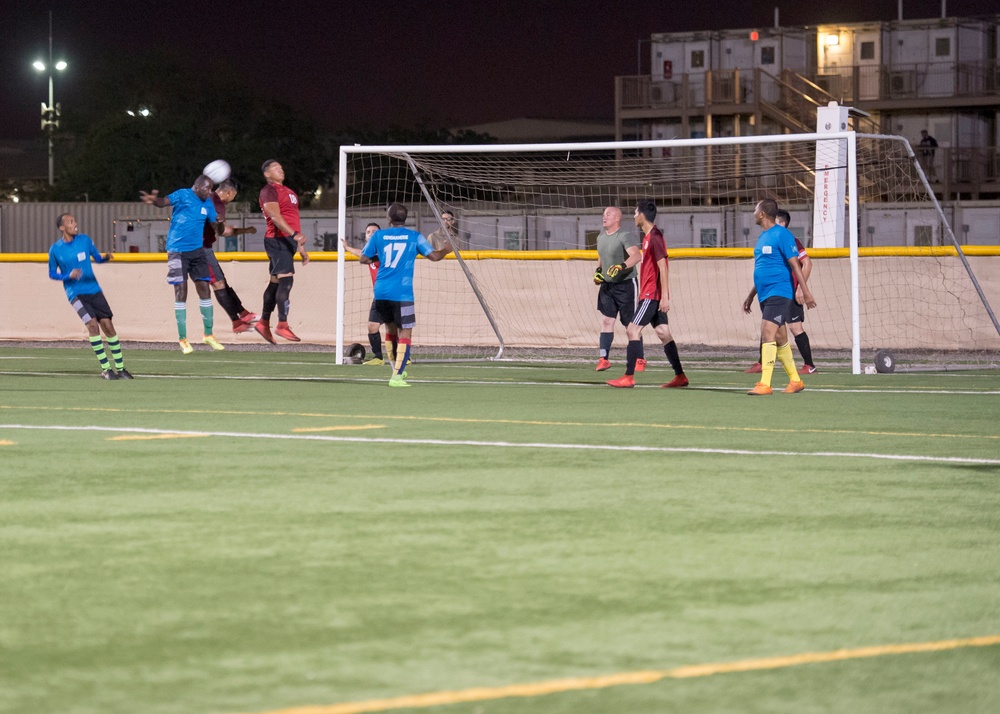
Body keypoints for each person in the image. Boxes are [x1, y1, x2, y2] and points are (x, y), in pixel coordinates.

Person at [357, 202, 453, 387]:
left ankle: (395, 368)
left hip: (381, 290)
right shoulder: (414, 237)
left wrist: (381, 256)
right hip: (402, 292)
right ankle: (397, 376)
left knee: (390, 330)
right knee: (405, 333)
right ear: (405, 218)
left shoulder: (379, 235)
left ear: (388, 218)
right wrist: (446, 250)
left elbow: (363, 258)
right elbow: (434, 257)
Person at [606, 200, 688, 389]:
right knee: (663, 332)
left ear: (642, 216)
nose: (634, 217)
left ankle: (628, 376)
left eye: (635, 213)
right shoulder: (647, 238)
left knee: (632, 329)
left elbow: (663, 267)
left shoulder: (655, 236)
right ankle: (680, 376)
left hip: (651, 294)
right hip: (651, 293)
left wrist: (665, 296)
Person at [140, 176, 225, 354]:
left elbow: (217, 229)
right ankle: (183, 339)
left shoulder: (208, 203)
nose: (209, 192)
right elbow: (163, 202)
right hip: (177, 250)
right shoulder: (183, 194)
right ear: (197, 186)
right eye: (207, 188)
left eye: (211, 189)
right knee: (181, 291)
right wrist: (153, 200)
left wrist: (220, 222)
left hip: (197, 251)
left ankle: (208, 335)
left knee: (205, 289)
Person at [741, 198, 817, 395]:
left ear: (762, 214)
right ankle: (795, 380)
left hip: (780, 292)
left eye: (755, 209)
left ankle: (765, 383)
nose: (753, 212)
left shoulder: (782, 234)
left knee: (767, 332)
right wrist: (750, 296)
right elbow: (761, 270)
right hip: (764, 295)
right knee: (781, 338)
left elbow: (796, 265)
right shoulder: (763, 237)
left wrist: (805, 291)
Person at [48, 213, 133, 380]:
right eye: (70, 222)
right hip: (76, 294)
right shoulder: (55, 249)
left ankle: (121, 369)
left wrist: (106, 258)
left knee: (108, 325)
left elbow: (98, 258)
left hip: (94, 290)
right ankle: (106, 369)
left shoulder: (85, 240)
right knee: (92, 325)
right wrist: (67, 276)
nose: (75, 223)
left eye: (75, 220)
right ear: (62, 228)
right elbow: (52, 273)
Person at [257, 159, 310, 343]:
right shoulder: (269, 190)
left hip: (287, 241)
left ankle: (263, 322)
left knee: (275, 283)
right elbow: (274, 215)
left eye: (281, 166)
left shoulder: (289, 192)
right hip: (277, 240)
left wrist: (300, 246)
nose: (280, 169)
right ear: (267, 174)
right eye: (275, 168)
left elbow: (292, 217)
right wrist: (294, 234)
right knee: (286, 280)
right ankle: (282, 324)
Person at [203, 178, 260, 335]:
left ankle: (243, 314)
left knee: (222, 282)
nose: (234, 198)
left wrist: (244, 230)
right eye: (235, 194)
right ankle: (237, 322)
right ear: (229, 192)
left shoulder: (210, 199)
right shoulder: (217, 203)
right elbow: (221, 229)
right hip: (198, 248)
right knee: (218, 283)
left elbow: (221, 229)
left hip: (201, 247)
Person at [593, 206, 644, 373]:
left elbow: (636, 255)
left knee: (631, 325)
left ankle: (639, 358)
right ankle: (603, 358)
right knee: (607, 320)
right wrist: (598, 271)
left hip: (626, 285)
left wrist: (621, 266)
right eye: (603, 214)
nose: (604, 217)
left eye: (608, 214)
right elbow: (602, 255)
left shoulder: (624, 236)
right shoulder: (601, 237)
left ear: (617, 218)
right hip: (608, 286)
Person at [341, 222, 390, 365]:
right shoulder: (370, 251)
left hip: (391, 294)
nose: (371, 233)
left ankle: (403, 357)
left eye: (375, 231)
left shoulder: (384, 250)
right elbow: (361, 253)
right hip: (379, 295)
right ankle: (378, 358)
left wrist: (349, 249)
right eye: (368, 232)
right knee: (372, 326)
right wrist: (347, 247)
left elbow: (362, 255)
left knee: (393, 327)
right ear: (366, 236)